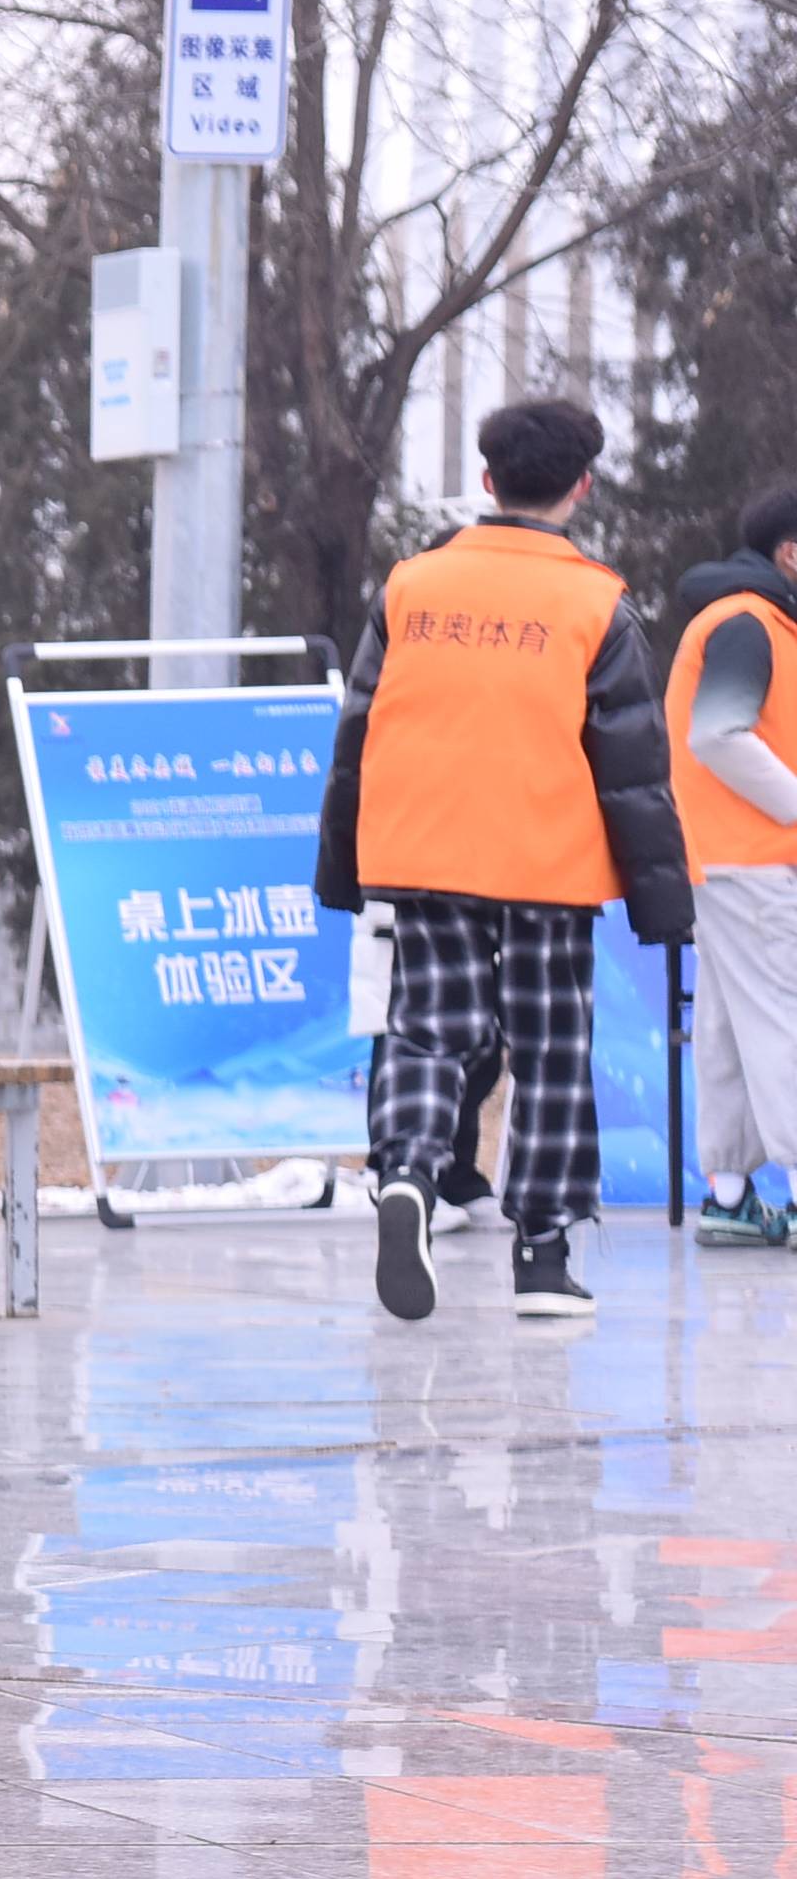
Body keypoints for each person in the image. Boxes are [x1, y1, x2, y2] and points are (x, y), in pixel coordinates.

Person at [315, 397, 692, 1322]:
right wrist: (663, 901)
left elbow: (359, 728)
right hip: (545, 862)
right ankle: (543, 1255)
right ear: (582, 487)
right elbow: (631, 769)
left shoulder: (411, 586)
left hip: (422, 850)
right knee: (552, 1048)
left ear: (487, 483)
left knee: (424, 1027)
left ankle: (406, 1170)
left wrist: (342, 864)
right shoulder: (596, 603)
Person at [674, 482, 797, 1246]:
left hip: (726, 858)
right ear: (790, 552)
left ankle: (727, 1195)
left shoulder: (757, 621)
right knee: (784, 1023)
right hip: (752, 858)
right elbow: (716, 734)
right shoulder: (749, 623)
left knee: (729, 1026)